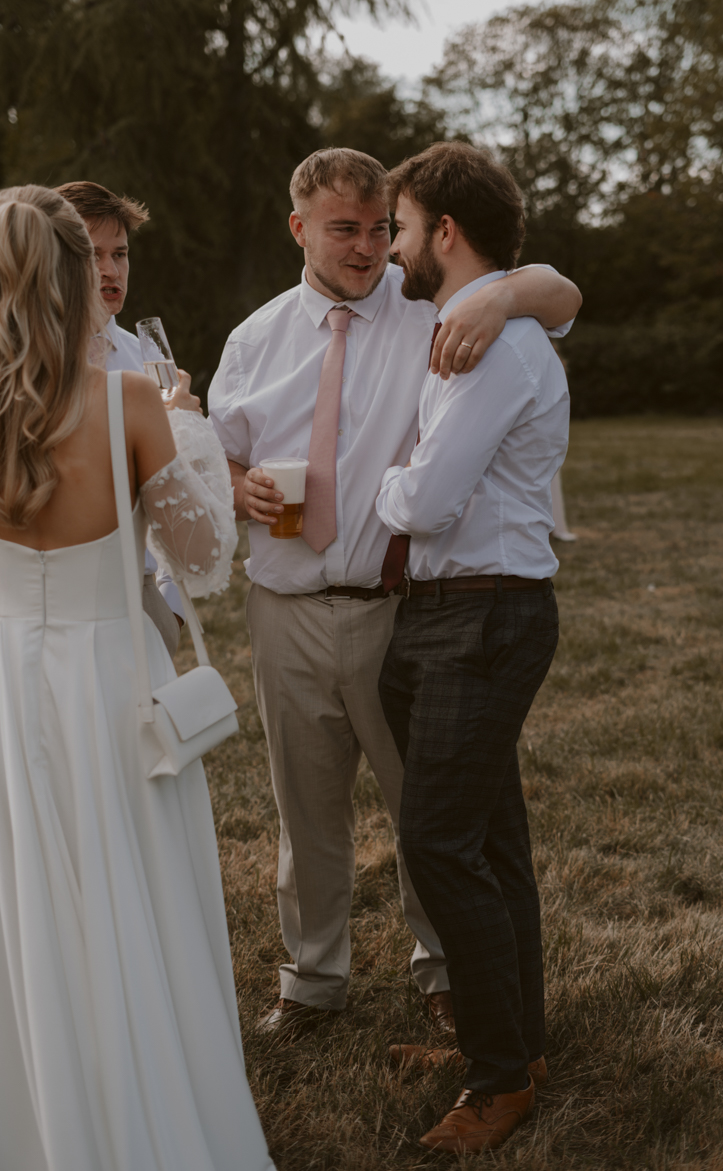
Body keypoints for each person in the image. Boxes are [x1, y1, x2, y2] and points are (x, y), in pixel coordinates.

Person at [208, 147, 581, 1034]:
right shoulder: (254, 339)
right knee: (305, 811)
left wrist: (504, 295)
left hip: (400, 607)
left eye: (382, 228)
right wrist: (235, 485)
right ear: (299, 228)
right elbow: (212, 451)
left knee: (427, 807)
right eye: (345, 229)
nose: (369, 247)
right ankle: (311, 979)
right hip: (286, 607)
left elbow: (561, 296)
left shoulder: (434, 315)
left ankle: (448, 974)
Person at [0, 185, 273, 1171]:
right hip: (112, 680)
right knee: (134, 894)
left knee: (26, 894)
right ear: (80, 279)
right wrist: (186, 427)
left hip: (8, 678)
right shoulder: (127, 402)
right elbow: (202, 560)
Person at [375, 142, 568, 1154]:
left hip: (483, 615)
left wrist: (383, 480)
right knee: (489, 843)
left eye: (403, 226)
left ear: (444, 231)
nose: (394, 245)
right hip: (453, 610)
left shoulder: (496, 343)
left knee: (440, 843)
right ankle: (515, 1045)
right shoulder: (480, 322)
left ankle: (498, 1081)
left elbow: (426, 498)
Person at [55, 180, 201, 657]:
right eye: (91, 255)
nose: (110, 270)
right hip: (45, 611)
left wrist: (170, 606)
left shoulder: (147, 360)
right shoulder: (22, 368)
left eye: (119, 254)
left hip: (140, 607)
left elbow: (183, 503)